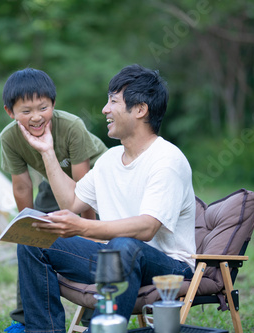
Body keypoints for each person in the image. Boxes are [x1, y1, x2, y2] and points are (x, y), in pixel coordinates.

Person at [15, 64, 196, 332]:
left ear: (140, 109)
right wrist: (47, 151)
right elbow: (72, 203)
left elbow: (146, 228)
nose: (105, 109)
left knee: (124, 245)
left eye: (113, 101)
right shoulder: (110, 159)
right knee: (33, 241)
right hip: (115, 257)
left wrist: (84, 227)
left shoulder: (167, 160)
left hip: (169, 266)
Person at [0, 68, 108, 332]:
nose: (36, 117)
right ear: (10, 112)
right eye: (26, 111)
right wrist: (28, 225)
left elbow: (84, 189)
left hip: (96, 177)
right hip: (53, 180)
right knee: (30, 242)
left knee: (95, 243)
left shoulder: (71, 125)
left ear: (53, 104)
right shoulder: (9, 137)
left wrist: (88, 230)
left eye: (43, 108)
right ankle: (25, 320)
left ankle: (94, 318)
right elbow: (22, 185)